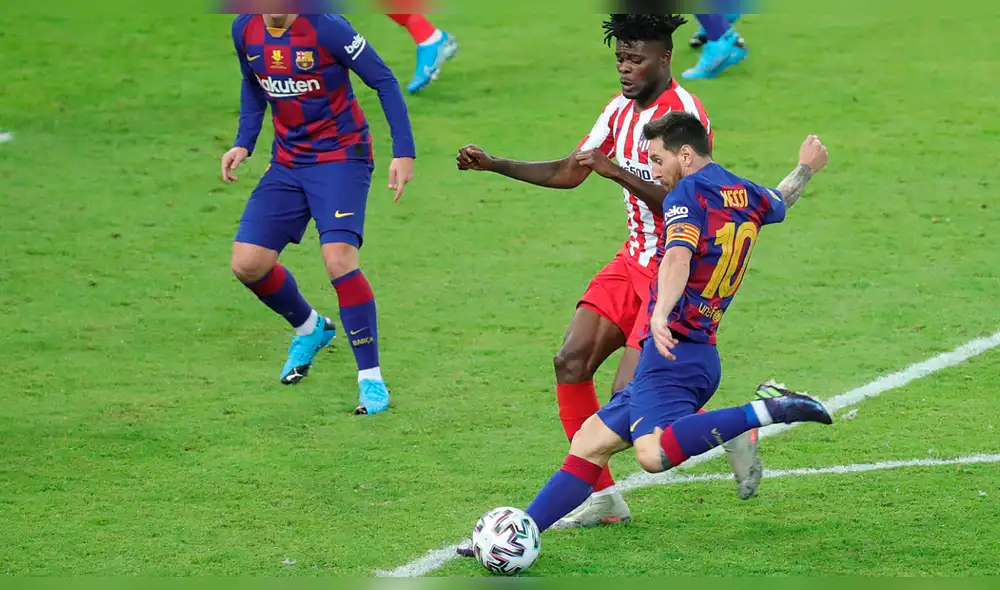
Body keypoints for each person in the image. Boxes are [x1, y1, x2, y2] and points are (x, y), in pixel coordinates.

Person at [456, 14, 760, 530]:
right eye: (619, 58)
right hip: (631, 260)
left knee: (631, 405)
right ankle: (604, 499)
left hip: (673, 272)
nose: (624, 69)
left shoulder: (684, 118)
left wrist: (616, 171)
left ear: (665, 59)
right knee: (570, 361)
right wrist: (495, 164)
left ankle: (728, 430)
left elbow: (692, 205)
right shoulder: (618, 110)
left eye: (635, 60)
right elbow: (571, 170)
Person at [521, 111, 833, 537]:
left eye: (656, 159)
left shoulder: (686, 195)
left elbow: (677, 256)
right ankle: (523, 530)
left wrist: (659, 314)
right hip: (697, 351)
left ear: (685, 155)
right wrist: (806, 167)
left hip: (674, 352)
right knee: (590, 443)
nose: (653, 170)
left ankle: (768, 409)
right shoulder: (741, 191)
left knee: (651, 455)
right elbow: (782, 198)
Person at [222, 12, 416, 415]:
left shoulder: (327, 27)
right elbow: (252, 83)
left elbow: (383, 80)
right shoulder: (245, 29)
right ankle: (311, 328)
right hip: (288, 163)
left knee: (338, 260)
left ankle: (371, 380)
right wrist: (244, 141)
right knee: (248, 263)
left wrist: (404, 151)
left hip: (342, 157)